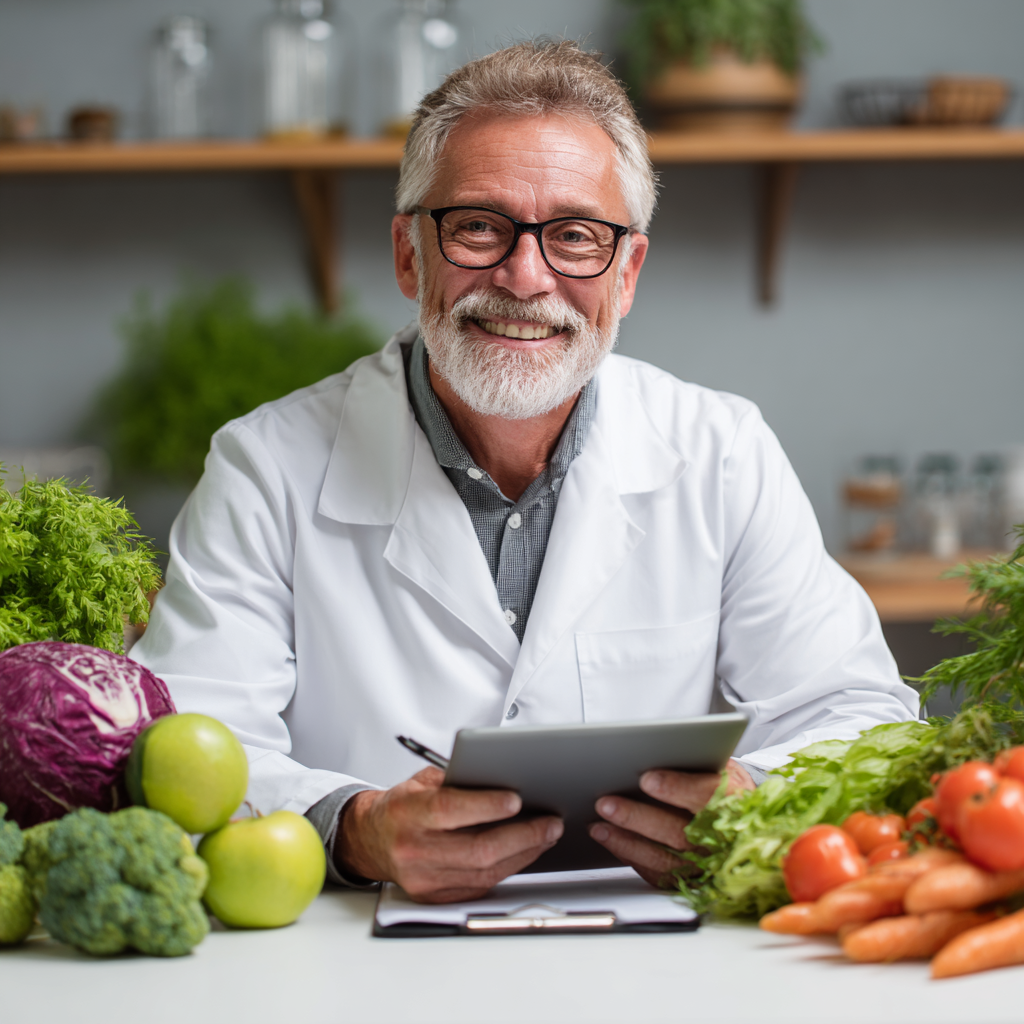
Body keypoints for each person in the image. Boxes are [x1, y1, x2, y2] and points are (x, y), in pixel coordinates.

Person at [132, 40, 918, 904]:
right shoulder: (265, 465)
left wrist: (753, 802)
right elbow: (185, 752)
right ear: (407, 254)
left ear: (626, 275)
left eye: (576, 236)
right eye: (478, 226)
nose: (524, 275)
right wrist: (357, 831)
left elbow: (863, 720)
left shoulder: (721, 450)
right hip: (364, 968)